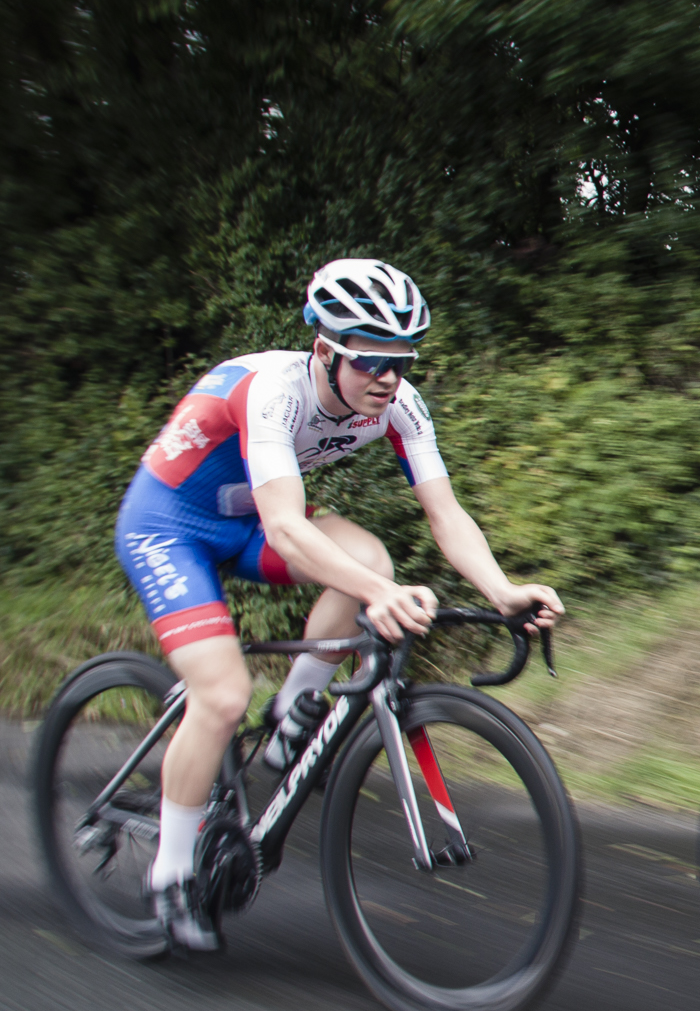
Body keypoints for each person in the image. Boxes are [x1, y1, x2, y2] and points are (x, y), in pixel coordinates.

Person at [115, 258, 563, 951]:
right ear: (324, 349)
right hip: (171, 525)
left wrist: (502, 588)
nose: (388, 377)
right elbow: (290, 527)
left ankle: (295, 715)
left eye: (402, 361)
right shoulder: (274, 392)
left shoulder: (398, 403)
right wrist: (377, 596)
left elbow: (445, 514)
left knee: (371, 557)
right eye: (371, 359)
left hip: (251, 522)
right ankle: (171, 872)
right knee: (224, 694)